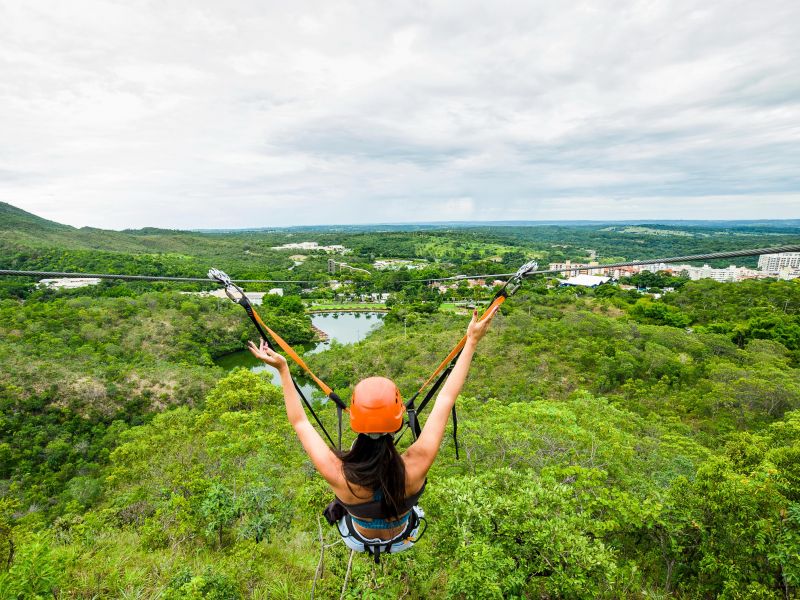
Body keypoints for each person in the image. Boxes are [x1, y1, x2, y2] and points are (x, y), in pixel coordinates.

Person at [248, 306, 498, 559]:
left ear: (355, 420)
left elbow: (300, 422)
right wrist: (472, 341)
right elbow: (445, 398)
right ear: (398, 422)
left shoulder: (339, 473)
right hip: (403, 539)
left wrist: (283, 369)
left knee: (348, 514)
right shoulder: (416, 464)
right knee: (413, 514)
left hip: (357, 539)